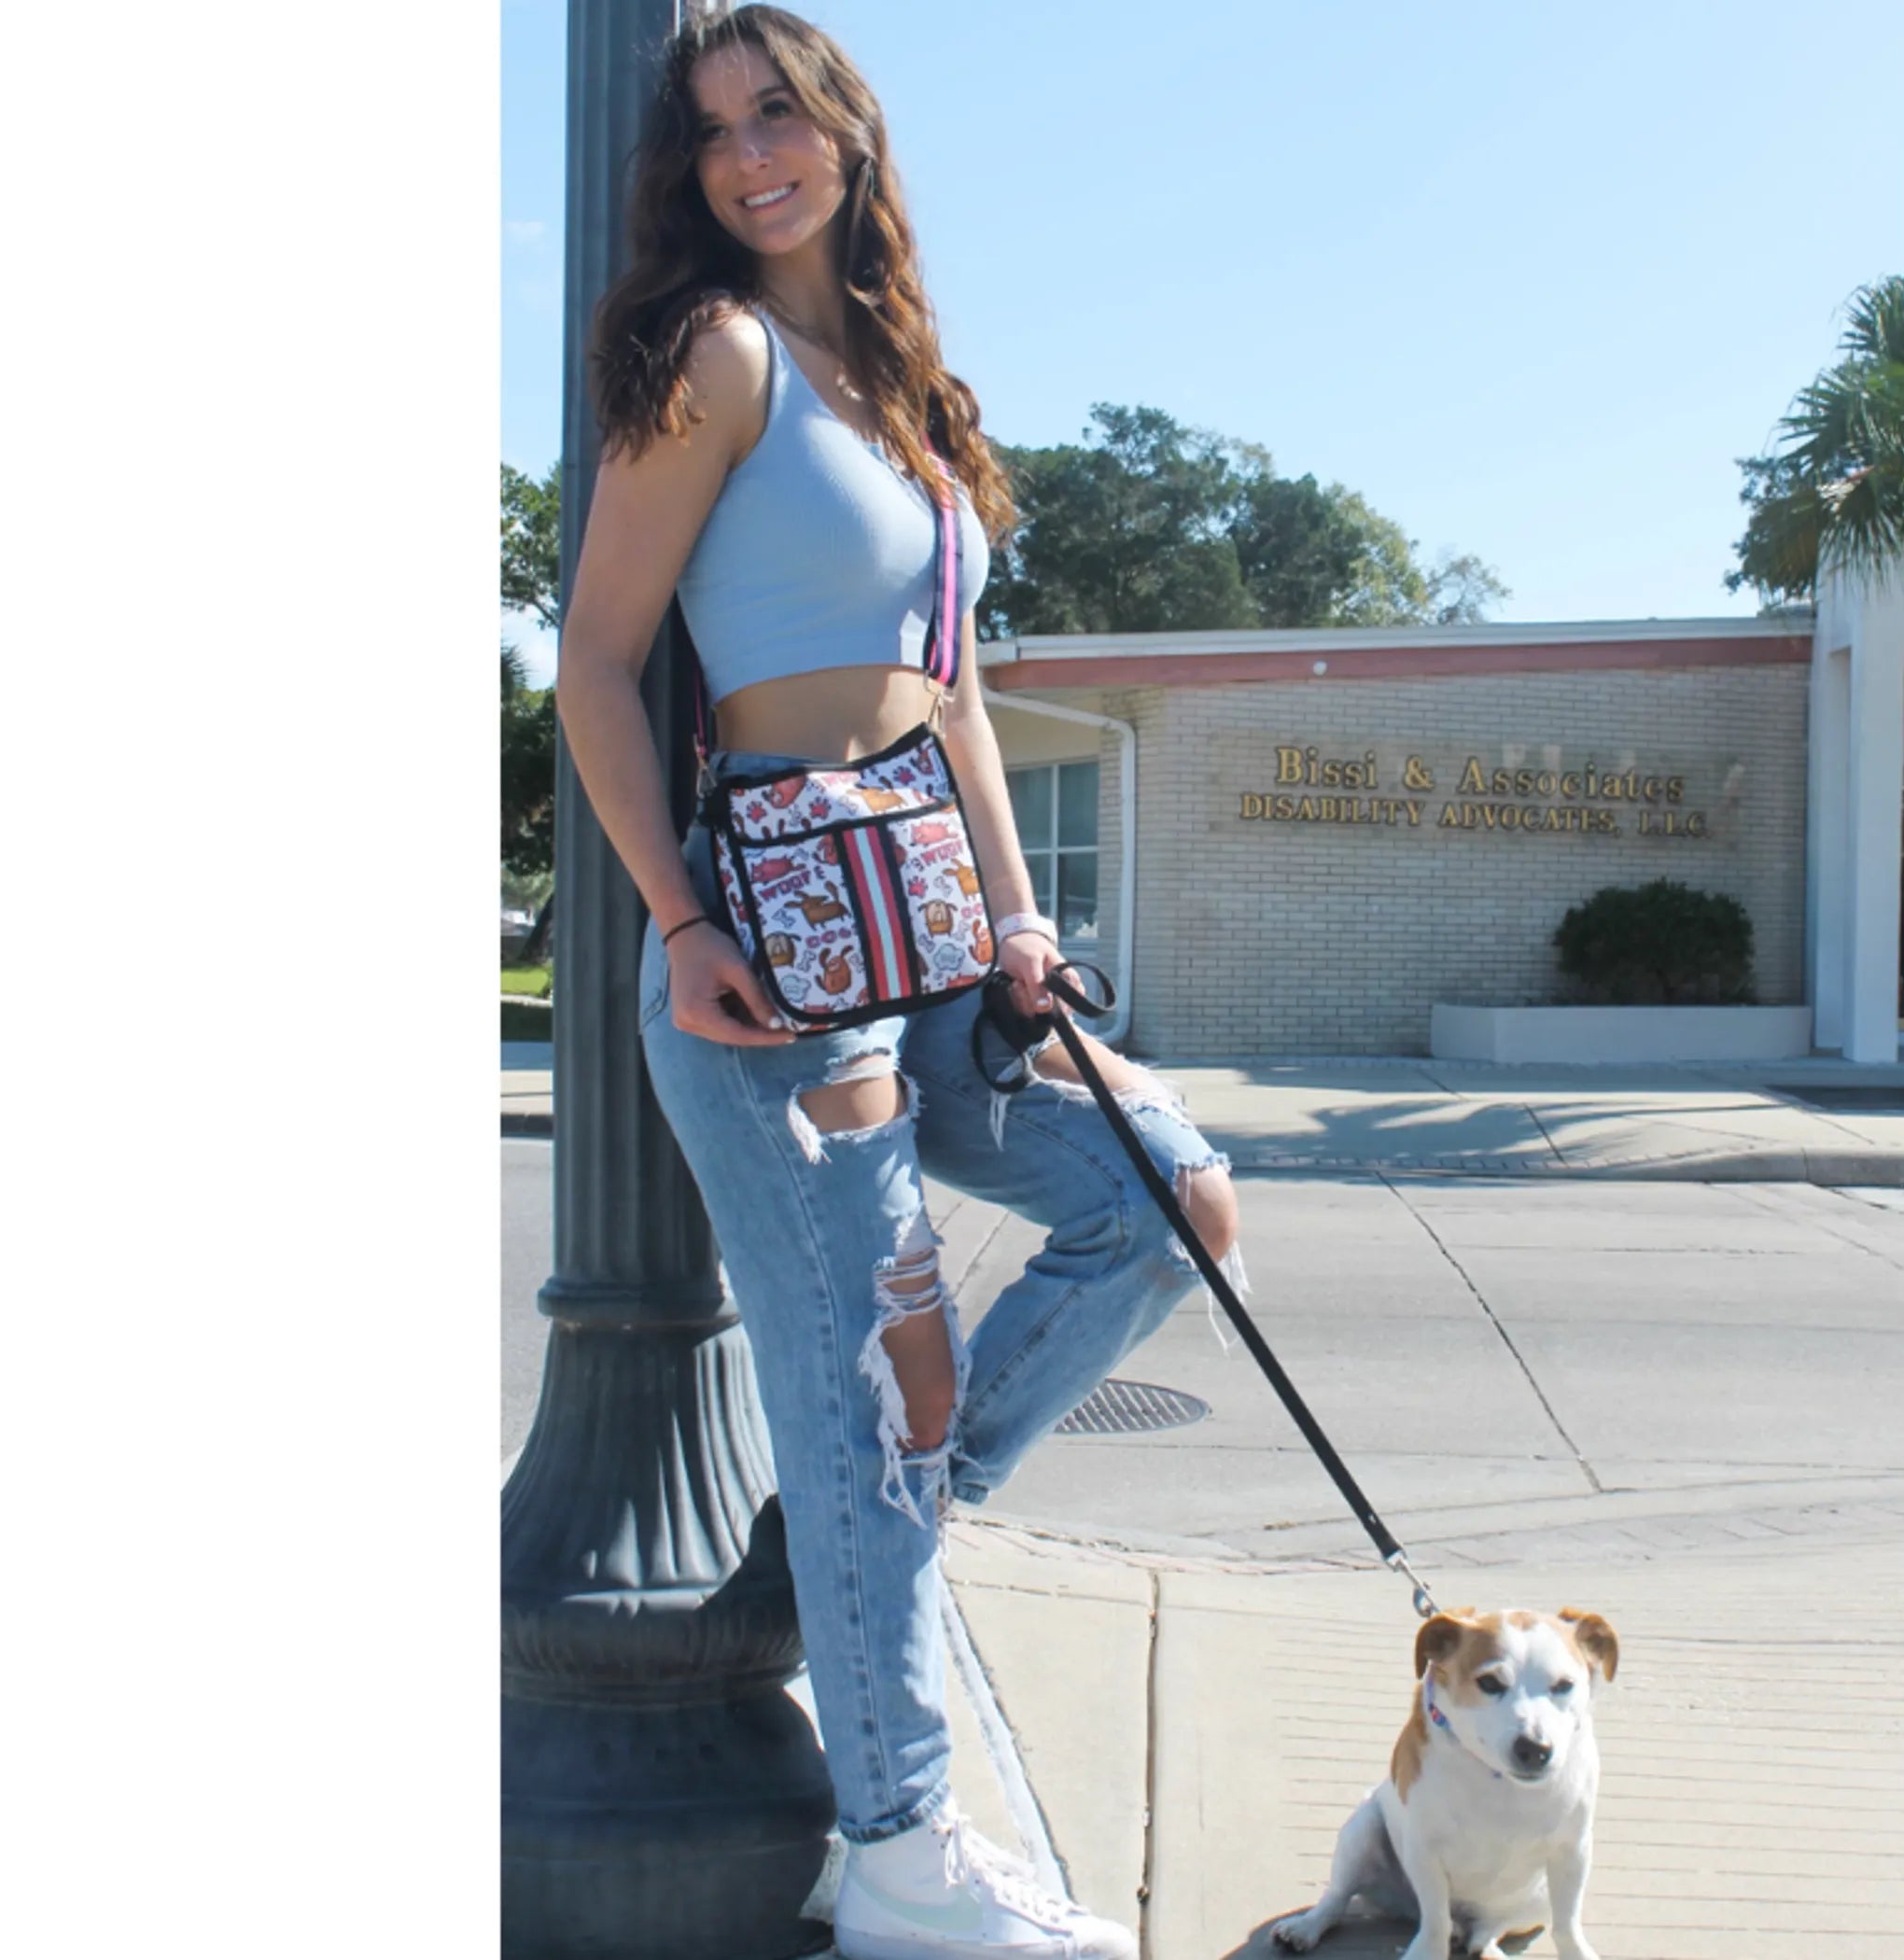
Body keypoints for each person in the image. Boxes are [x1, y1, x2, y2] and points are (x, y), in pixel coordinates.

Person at [555, 8, 1240, 1956]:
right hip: (775, 946)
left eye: (779, 111)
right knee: (871, 1383)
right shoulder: (714, 358)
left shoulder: (915, 394)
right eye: (710, 132)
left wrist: (1020, 923)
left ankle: (868, 1539)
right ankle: (901, 1850)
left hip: (938, 924)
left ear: (849, 130)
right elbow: (597, 662)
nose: (748, 153)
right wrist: (680, 926)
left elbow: (947, 695)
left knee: (1166, 1202)